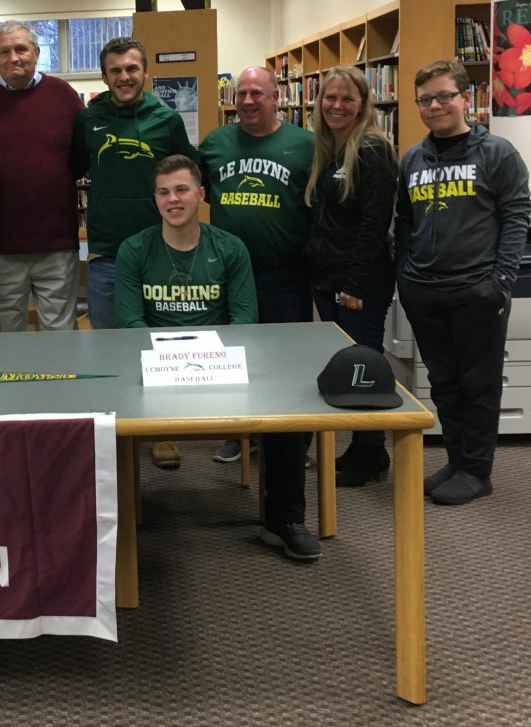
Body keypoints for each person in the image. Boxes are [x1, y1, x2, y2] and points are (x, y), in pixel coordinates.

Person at [395, 60, 530, 506]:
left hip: (477, 290)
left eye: (443, 96)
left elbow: (516, 217)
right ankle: (456, 460)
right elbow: (406, 221)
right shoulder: (413, 158)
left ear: (465, 98)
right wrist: (405, 277)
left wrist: (501, 281)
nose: (434, 106)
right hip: (424, 290)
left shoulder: (497, 153)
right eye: (425, 100)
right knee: (444, 382)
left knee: (478, 383)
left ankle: (477, 470)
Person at [199, 66, 319, 559]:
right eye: (240, 93)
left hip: (283, 279)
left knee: (288, 391)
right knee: (215, 372)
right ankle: (237, 435)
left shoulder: (306, 145)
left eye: (257, 93)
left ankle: (286, 514)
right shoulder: (213, 144)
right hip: (223, 279)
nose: (248, 100)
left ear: (277, 98)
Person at [72, 36, 198, 471]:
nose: (123, 77)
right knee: (112, 346)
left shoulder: (166, 120)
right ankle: (116, 427)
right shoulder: (88, 119)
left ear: (145, 72)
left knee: (159, 341)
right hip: (106, 250)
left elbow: (183, 176)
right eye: (115, 71)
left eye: (131, 69)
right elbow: (73, 169)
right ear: (105, 77)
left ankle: (162, 431)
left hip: (159, 249)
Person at [304, 66, 398, 487]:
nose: (336, 106)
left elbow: (374, 225)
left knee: (366, 367)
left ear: (363, 104)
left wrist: (354, 285)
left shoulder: (373, 149)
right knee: (353, 365)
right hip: (328, 280)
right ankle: (362, 446)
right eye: (329, 98)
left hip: (359, 285)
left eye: (346, 99)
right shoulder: (329, 148)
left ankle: (372, 450)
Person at [0, 20, 85, 333]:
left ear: (37, 52)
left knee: (61, 336)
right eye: (4, 51)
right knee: (5, 340)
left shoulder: (65, 96)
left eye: (21, 49)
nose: (14, 57)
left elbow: (81, 158)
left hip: (56, 244)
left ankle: (62, 385)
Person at [114, 155, 258, 329]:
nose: (172, 199)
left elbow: (245, 318)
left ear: (200, 194)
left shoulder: (231, 248)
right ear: (156, 198)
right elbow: (129, 321)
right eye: (163, 192)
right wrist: (165, 352)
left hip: (216, 351)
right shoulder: (133, 250)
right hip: (155, 351)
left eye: (182, 190)